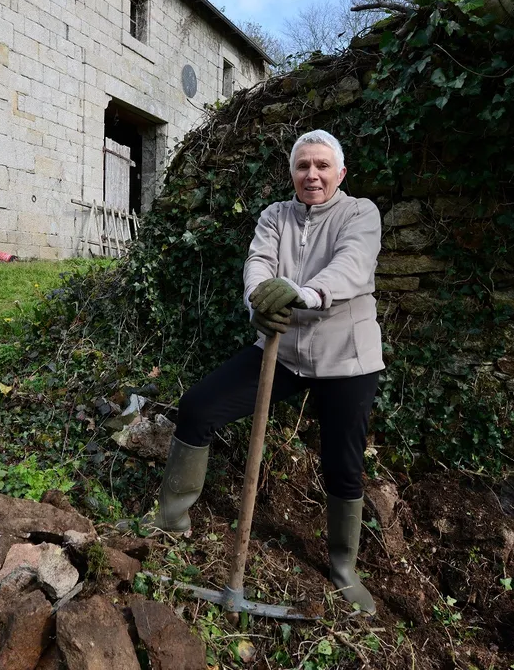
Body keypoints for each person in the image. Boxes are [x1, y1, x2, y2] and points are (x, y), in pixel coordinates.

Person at [145, 129, 384, 613]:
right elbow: (259, 261)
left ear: (340, 173)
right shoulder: (276, 215)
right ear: (292, 172)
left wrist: (304, 294)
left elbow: (353, 266)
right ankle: (171, 519)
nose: (311, 174)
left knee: (343, 463)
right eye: (302, 166)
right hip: (283, 348)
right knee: (197, 407)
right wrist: (259, 298)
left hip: (347, 358)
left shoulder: (360, 213)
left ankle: (342, 567)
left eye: (321, 166)